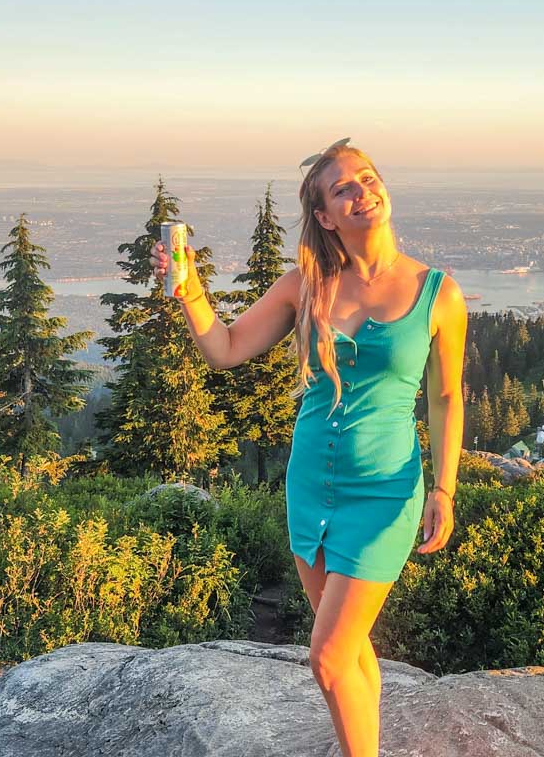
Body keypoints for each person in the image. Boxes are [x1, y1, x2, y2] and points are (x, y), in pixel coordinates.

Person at [150, 141, 467, 755]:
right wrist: (188, 289)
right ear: (325, 216)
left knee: (325, 658)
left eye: (367, 179)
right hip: (310, 489)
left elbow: (447, 398)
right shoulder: (305, 285)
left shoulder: (438, 294)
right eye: (343, 188)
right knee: (349, 650)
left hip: (384, 493)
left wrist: (444, 487)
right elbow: (227, 349)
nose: (361, 191)